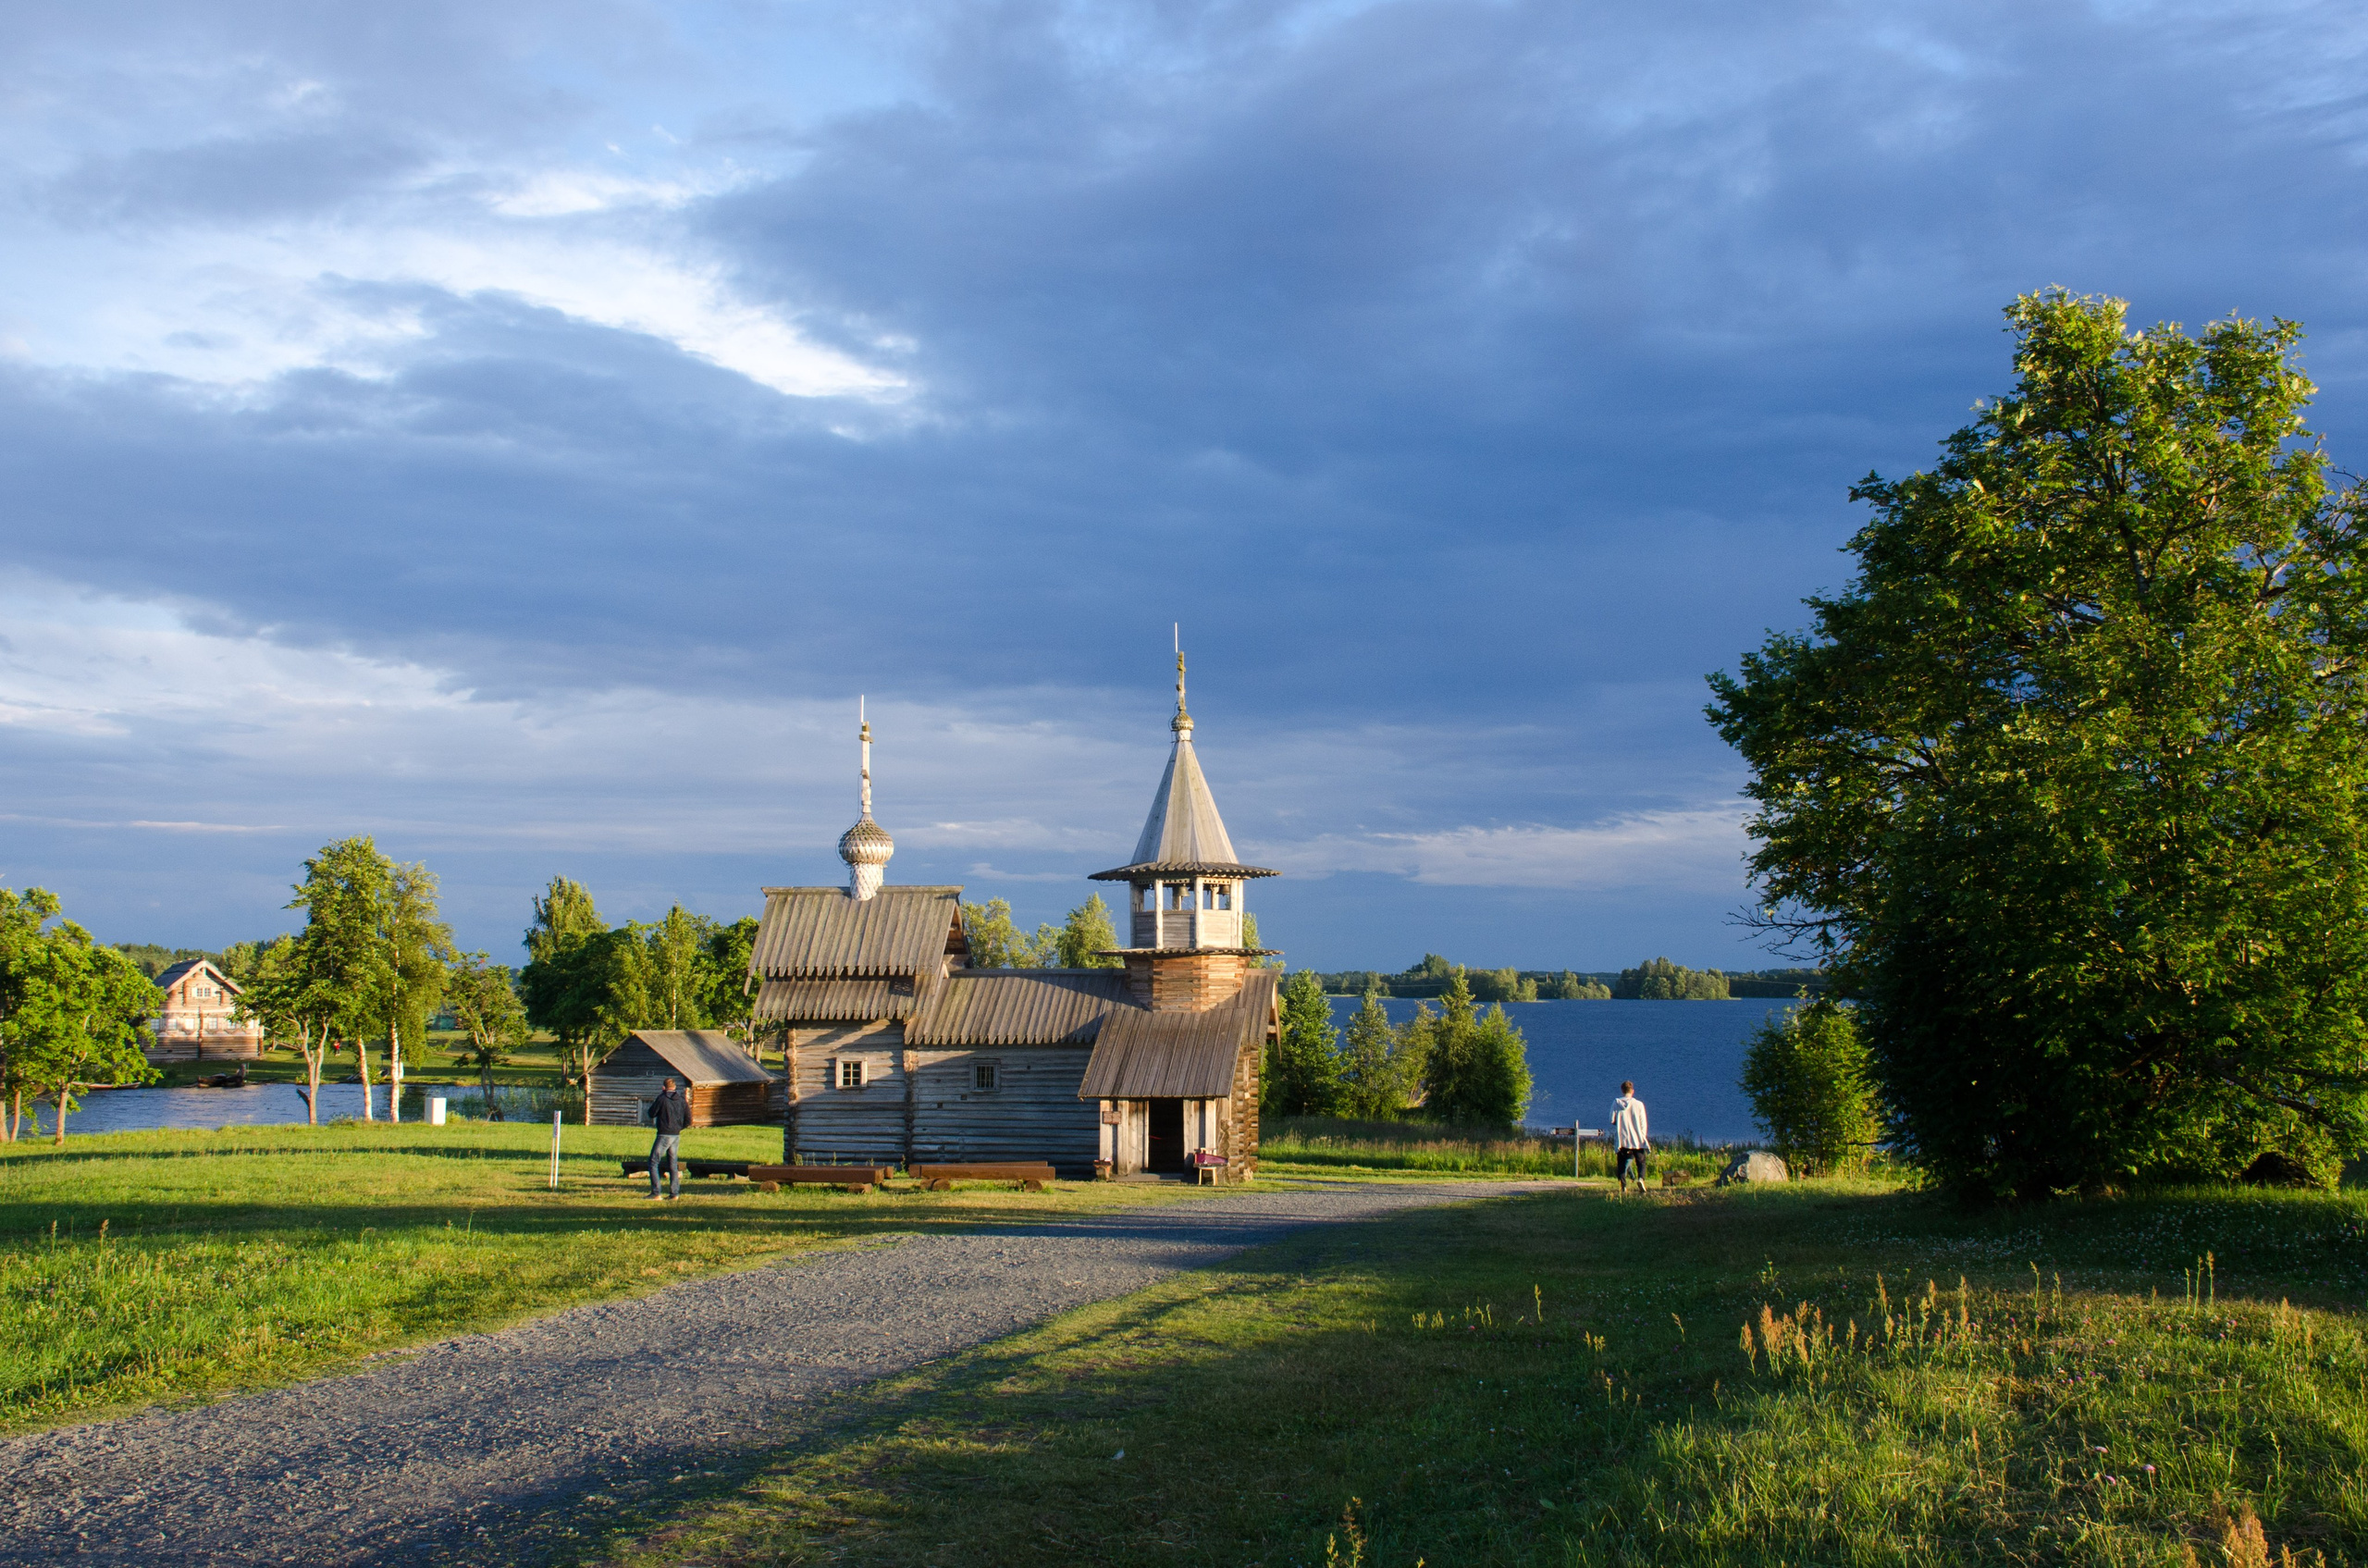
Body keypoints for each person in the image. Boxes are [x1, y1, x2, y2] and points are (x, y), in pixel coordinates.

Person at [648, 1076, 691, 1200]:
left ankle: (656, 1192)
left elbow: (651, 1113)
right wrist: (678, 1128)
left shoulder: (662, 1099)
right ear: (675, 1087)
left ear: (663, 1087)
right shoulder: (682, 1100)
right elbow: (688, 1119)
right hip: (676, 1135)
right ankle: (674, 1193)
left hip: (664, 1133)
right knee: (672, 1163)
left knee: (653, 1161)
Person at [1611, 1080, 1649, 1192]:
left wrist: (1620, 1122)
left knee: (1622, 1163)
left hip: (1622, 1139)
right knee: (1641, 1161)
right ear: (1632, 1091)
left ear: (1622, 1090)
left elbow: (1611, 1119)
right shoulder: (1639, 1104)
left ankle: (1623, 1185)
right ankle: (1641, 1179)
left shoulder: (1616, 1103)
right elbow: (1643, 1123)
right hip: (1637, 1139)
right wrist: (1643, 1136)